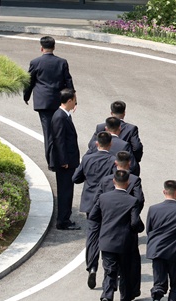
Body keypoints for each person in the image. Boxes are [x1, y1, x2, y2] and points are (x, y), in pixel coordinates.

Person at [88, 170, 145, 301]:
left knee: (109, 271)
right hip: (125, 243)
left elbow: (93, 216)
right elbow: (134, 222)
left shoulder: (103, 198)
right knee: (125, 274)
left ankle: (107, 296)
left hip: (107, 241)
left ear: (113, 181)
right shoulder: (132, 201)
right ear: (127, 183)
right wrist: (140, 228)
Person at [23, 36, 74, 169]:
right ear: (54, 47)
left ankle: (52, 162)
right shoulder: (62, 62)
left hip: (43, 103)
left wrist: (26, 96)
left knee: (48, 133)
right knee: (60, 130)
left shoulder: (35, 62)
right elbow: (68, 81)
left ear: (41, 48)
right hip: (59, 101)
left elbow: (29, 81)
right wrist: (73, 100)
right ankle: (63, 159)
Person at [49, 88, 80, 231]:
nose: (75, 103)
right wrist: (64, 161)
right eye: (74, 100)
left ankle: (65, 218)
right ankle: (63, 221)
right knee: (65, 191)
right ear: (69, 101)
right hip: (65, 164)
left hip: (68, 161)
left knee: (67, 190)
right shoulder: (60, 117)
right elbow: (59, 140)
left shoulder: (64, 115)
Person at [72, 131, 115, 216]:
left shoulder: (86, 159)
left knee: (91, 226)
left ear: (96, 143)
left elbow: (75, 178)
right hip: (106, 199)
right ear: (110, 144)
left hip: (89, 199)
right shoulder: (113, 160)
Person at [88, 101, 143, 166]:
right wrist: (133, 159)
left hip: (101, 164)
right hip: (121, 164)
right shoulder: (131, 129)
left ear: (111, 112)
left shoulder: (101, 127)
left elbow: (91, 145)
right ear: (124, 113)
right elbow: (137, 147)